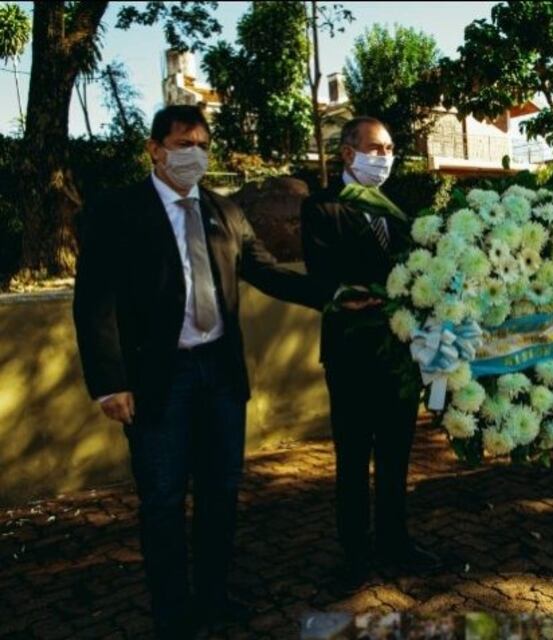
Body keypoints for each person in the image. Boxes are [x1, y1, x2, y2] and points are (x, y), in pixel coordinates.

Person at [73, 105, 321, 639]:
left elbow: (267, 272)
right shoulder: (118, 211)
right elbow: (95, 300)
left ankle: (212, 596)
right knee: (162, 498)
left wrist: (337, 293)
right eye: (184, 143)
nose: (195, 155)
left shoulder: (224, 210)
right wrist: (110, 383)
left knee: (220, 491)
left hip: (220, 375)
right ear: (155, 149)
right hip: (159, 380)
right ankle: (172, 611)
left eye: (203, 144)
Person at [301, 116, 441, 594]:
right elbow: (324, 271)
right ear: (347, 153)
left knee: (398, 453)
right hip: (351, 354)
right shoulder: (322, 207)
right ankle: (354, 554)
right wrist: (353, 292)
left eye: (389, 149)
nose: (384, 157)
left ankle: (395, 541)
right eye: (375, 148)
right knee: (354, 457)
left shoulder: (396, 211)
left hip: (399, 354)